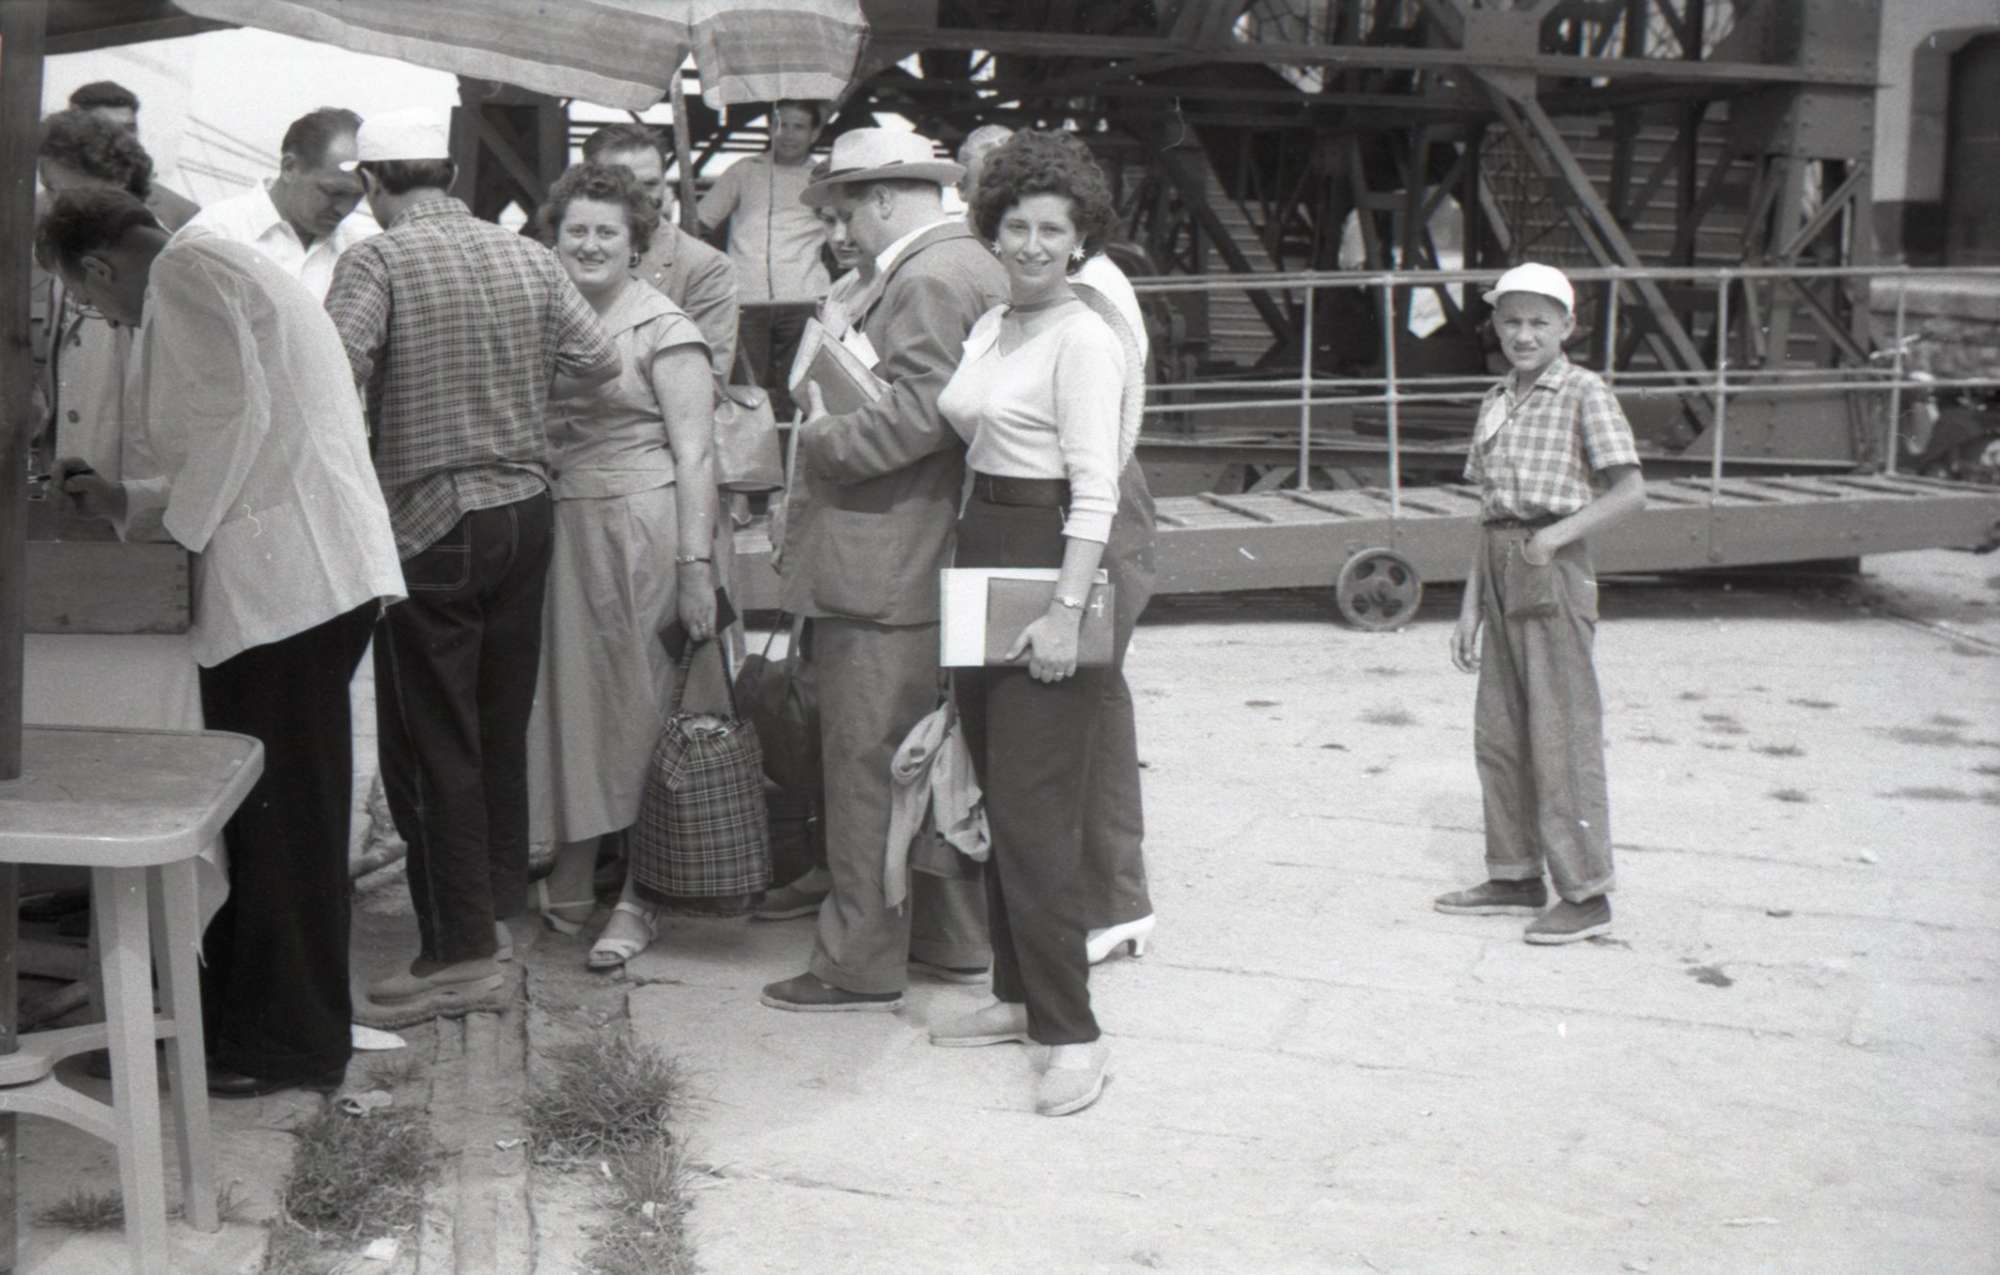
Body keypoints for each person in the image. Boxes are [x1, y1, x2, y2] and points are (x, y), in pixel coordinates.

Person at [41, 187, 405, 1096]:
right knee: (272, 817)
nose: (107, 318)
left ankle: (287, 1046)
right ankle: (242, 1028)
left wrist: (172, 537)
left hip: (287, 583)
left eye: (91, 301)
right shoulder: (218, 263)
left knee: (281, 820)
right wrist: (129, 503)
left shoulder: (187, 274)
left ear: (99, 265)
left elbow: (231, 426)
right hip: (301, 574)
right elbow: (238, 432)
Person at [324, 108, 621, 1020]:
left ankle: (456, 955)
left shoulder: (378, 259)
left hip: (432, 518)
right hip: (525, 511)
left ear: (373, 182)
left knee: (429, 743)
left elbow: (330, 370)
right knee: (496, 728)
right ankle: (492, 914)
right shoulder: (526, 254)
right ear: (449, 174)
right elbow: (599, 360)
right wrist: (509, 391)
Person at [925, 129, 1153, 1117]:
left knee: (1033, 812)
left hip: (1046, 552)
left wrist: (1064, 613)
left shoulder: (1083, 337)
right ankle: (1019, 996)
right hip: (979, 544)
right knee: (995, 789)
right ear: (991, 228)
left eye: (1050, 230)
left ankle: (1074, 1033)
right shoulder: (992, 325)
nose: (1030, 245)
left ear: (1079, 239)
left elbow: (1096, 489)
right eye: (1015, 225)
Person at [760, 127, 1005, 1013]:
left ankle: (856, 960)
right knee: (932, 756)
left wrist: (822, 438)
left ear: (885, 199)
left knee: (869, 766)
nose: (837, 234)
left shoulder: (925, 277)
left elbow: (918, 415)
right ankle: (951, 937)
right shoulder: (967, 262)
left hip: (884, 559)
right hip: (930, 552)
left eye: (842, 214)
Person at [523, 163, 720, 966]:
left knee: (644, 708)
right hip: (565, 527)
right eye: (577, 230)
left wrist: (696, 565)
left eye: (608, 231)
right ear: (555, 238)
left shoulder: (664, 327)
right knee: (576, 704)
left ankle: (643, 892)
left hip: (644, 528)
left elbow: (697, 453)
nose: (591, 244)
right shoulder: (546, 314)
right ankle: (575, 862)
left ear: (636, 244)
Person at [1435, 262, 1645, 945]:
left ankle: (1586, 893)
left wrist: (1552, 539)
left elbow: (1630, 491)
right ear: (1496, 326)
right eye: (1511, 321)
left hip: (1550, 564)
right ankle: (1514, 872)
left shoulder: (1584, 392)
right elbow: (1488, 511)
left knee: (1560, 732)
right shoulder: (1497, 397)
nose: (1524, 335)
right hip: (1499, 564)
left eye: (1538, 323)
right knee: (1500, 733)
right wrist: (1470, 606)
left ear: (1567, 328)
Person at [748, 166, 874, 925]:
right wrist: (785, 508)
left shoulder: (895, 292)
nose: (837, 237)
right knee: (813, 702)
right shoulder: (840, 294)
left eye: (846, 220)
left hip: (866, 533)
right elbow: (808, 418)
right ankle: (820, 860)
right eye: (826, 225)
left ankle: (842, 872)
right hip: (819, 514)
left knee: (848, 714)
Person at [696, 100, 829, 411]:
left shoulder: (823, 178)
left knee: (800, 390)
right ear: (770, 129)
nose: (788, 134)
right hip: (747, 300)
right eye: (781, 125)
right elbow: (699, 222)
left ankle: (795, 443)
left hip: (805, 298)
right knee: (747, 389)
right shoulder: (744, 171)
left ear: (814, 133)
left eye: (799, 127)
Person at [578, 122, 737, 380]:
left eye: (650, 183)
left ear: (664, 183)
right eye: (621, 184)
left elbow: (705, 382)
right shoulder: (557, 260)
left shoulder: (706, 268)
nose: (638, 196)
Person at [181, 107, 378, 301]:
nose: (344, 209)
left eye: (357, 197)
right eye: (334, 192)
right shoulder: (217, 235)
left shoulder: (357, 251)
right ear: (289, 168)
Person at [64, 83, 200, 230]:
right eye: (106, 128)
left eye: (129, 128)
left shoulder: (182, 214)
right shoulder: (49, 203)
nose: (122, 138)